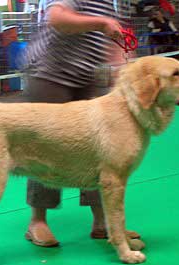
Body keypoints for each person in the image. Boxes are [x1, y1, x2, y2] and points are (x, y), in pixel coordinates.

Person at [23, 0, 136, 247]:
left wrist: (123, 68)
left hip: (87, 76)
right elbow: (57, 19)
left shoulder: (109, 2)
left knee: (100, 150)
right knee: (46, 147)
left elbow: (113, 39)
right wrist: (102, 22)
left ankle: (102, 221)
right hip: (49, 75)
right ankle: (38, 222)